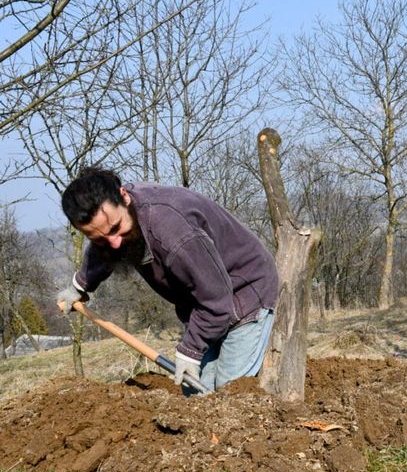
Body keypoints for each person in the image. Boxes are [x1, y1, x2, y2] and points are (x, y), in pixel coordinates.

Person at [56, 167, 279, 392]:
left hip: (244, 292)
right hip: (204, 303)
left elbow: (217, 300)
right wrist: (80, 286)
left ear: (124, 196)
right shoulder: (115, 218)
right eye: (100, 238)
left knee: (230, 391)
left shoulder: (174, 232)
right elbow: (102, 250)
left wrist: (191, 351)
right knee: (196, 392)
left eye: (116, 228)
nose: (114, 243)